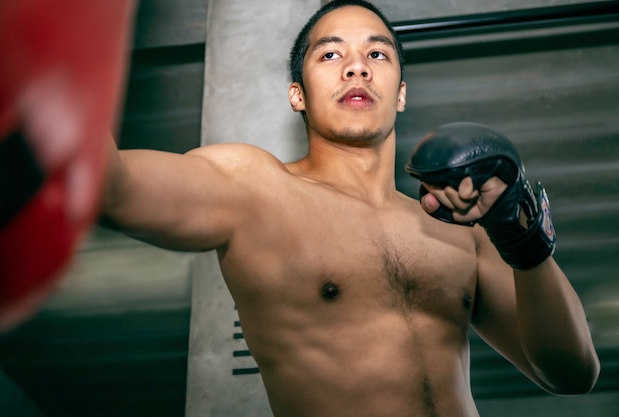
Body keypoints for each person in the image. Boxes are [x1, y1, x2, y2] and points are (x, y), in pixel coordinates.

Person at [100, 1, 600, 416]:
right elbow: (108, 185)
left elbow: (573, 373)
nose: (356, 66)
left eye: (377, 54)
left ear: (401, 94)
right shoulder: (253, 187)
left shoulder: (461, 228)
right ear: (297, 94)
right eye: (330, 53)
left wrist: (520, 236)